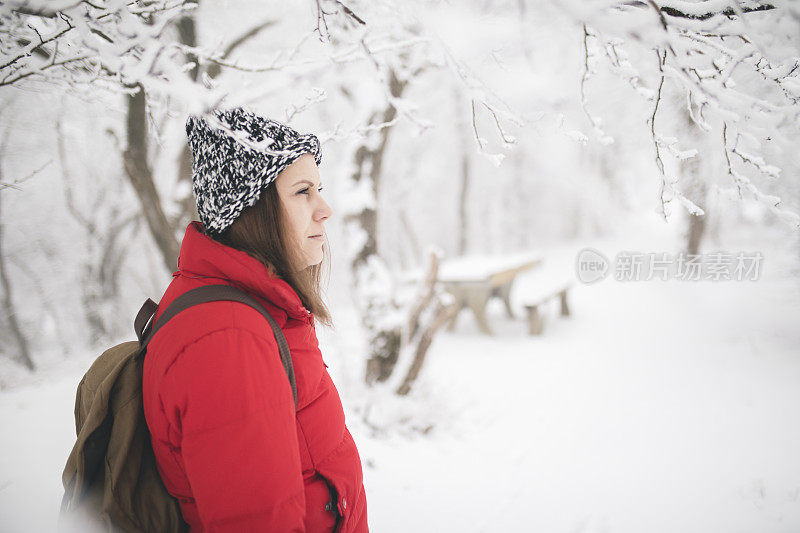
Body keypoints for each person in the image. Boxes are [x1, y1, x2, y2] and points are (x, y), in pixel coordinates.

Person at [142, 107, 368, 532]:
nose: (325, 209)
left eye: (319, 189)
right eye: (302, 192)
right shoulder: (227, 339)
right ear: (252, 211)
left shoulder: (255, 311)